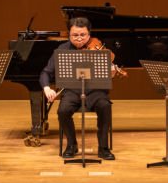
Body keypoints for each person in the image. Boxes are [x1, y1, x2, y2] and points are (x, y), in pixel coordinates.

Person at [40, 17, 115, 160]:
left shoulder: (99, 50)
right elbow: (46, 72)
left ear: (89, 34)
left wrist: (110, 72)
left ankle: (103, 148)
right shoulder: (61, 50)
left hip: (96, 91)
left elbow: (108, 73)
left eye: (83, 35)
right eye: (75, 35)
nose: (79, 39)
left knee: (105, 106)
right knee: (63, 111)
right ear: (69, 34)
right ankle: (72, 145)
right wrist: (47, 88)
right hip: (71, 91)